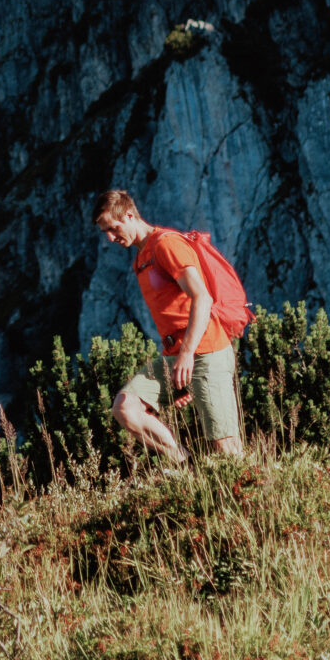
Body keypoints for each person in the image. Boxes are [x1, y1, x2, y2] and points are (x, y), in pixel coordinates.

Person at [92, 190, 244, 462]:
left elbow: (202, 297)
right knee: (125, 408)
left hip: (206, 353)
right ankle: (184, 463)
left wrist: (186, 356)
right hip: (176, 357)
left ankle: (249, 496)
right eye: (105, 232)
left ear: (129, 215)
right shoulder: (141, 258)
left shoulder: (166, 245)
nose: (110, 238)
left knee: (226, 450)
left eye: (113, 229)